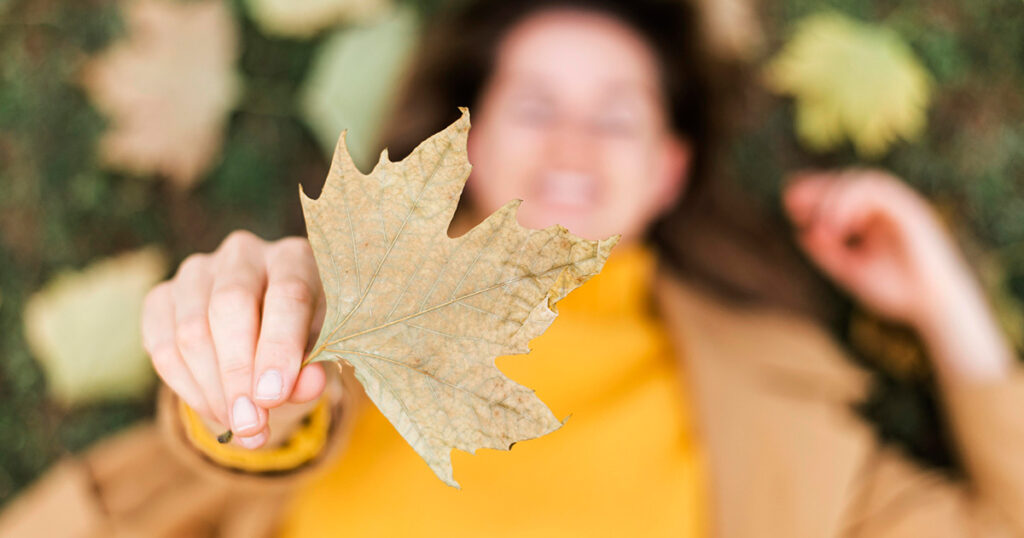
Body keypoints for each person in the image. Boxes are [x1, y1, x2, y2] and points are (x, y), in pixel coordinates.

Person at [2, 0, 1022, 537]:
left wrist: (949, 315)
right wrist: (247, 369)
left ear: (670, 170)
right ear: (471, 140)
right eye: (534, 106)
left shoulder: (789, 419)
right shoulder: (351, 297)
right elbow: (268, 429)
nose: (572, 144)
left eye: (615, 114)